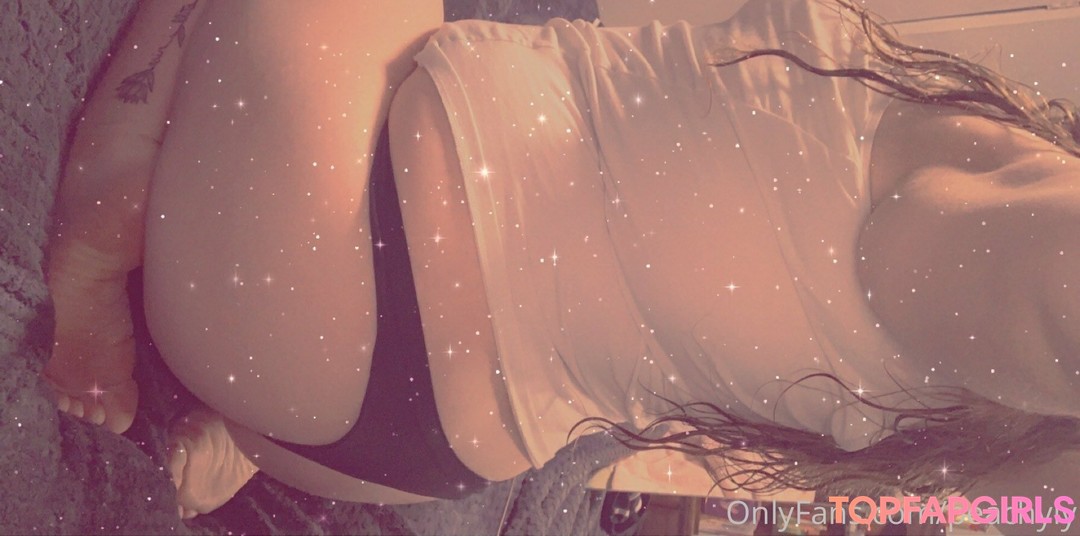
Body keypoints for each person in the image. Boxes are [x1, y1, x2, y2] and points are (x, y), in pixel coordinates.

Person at [43, 0, 1079, 528]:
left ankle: (115, 187)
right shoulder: (1012, 403)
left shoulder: (1012, 257)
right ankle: (246, 427)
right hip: (424, 448)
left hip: (319, 286)